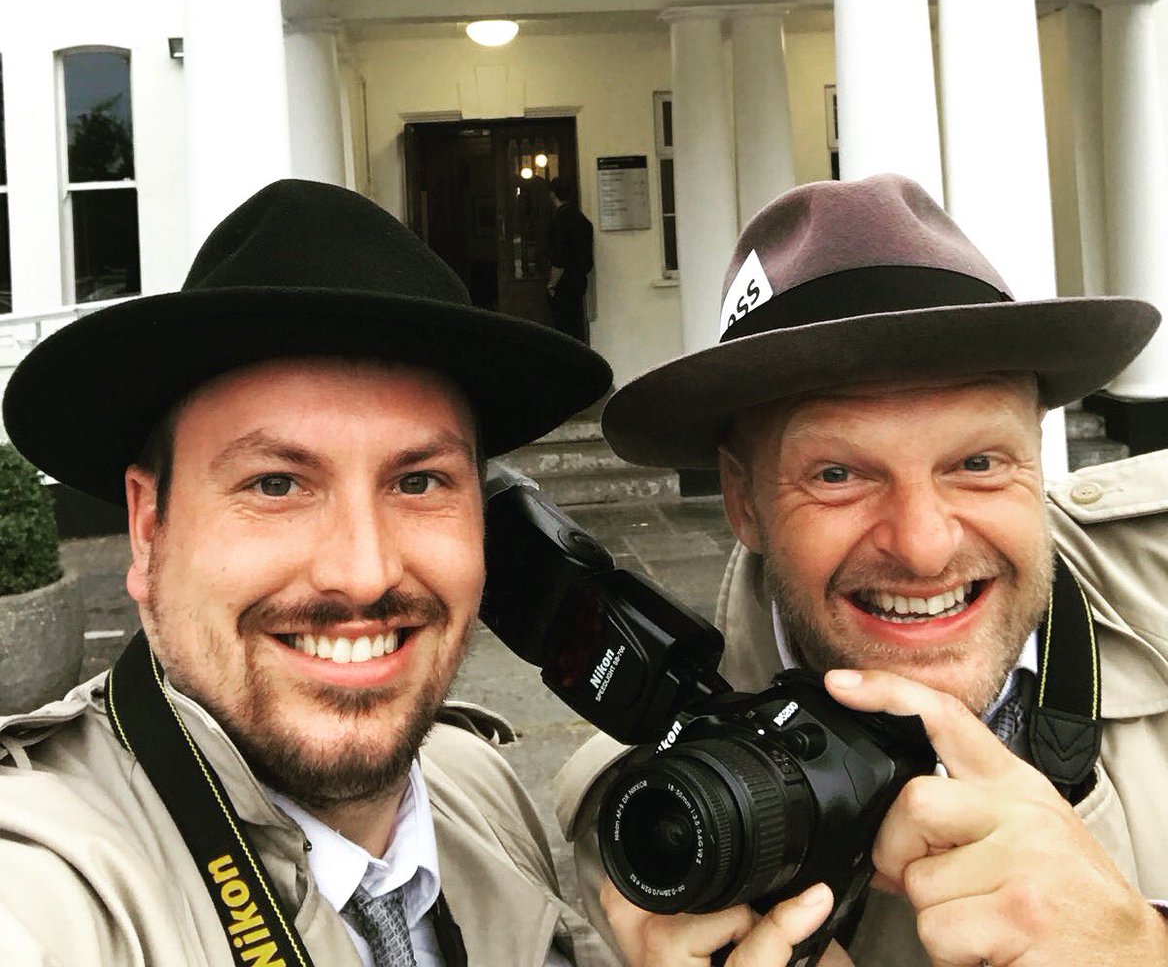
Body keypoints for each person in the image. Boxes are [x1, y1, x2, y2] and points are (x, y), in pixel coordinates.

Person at [0, 179, 620, 967]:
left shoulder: (474, 784)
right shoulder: (45, 889)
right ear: (149, 528)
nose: (363, 574)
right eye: (277, 484)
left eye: (419, 481)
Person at [556, 173, 1168, 966]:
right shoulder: (652, 830)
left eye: (977, 462)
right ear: (742, 500)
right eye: (838, 475)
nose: (924, 546)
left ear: (1039, 454)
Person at [546, 176, 594, 343]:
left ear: (553, 195)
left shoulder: (559, 221)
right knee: (576, 323)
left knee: (563, 327)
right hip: (580, 279)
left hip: (564, 282)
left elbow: (559, 259)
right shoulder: (582, 220)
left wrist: (552, 284)